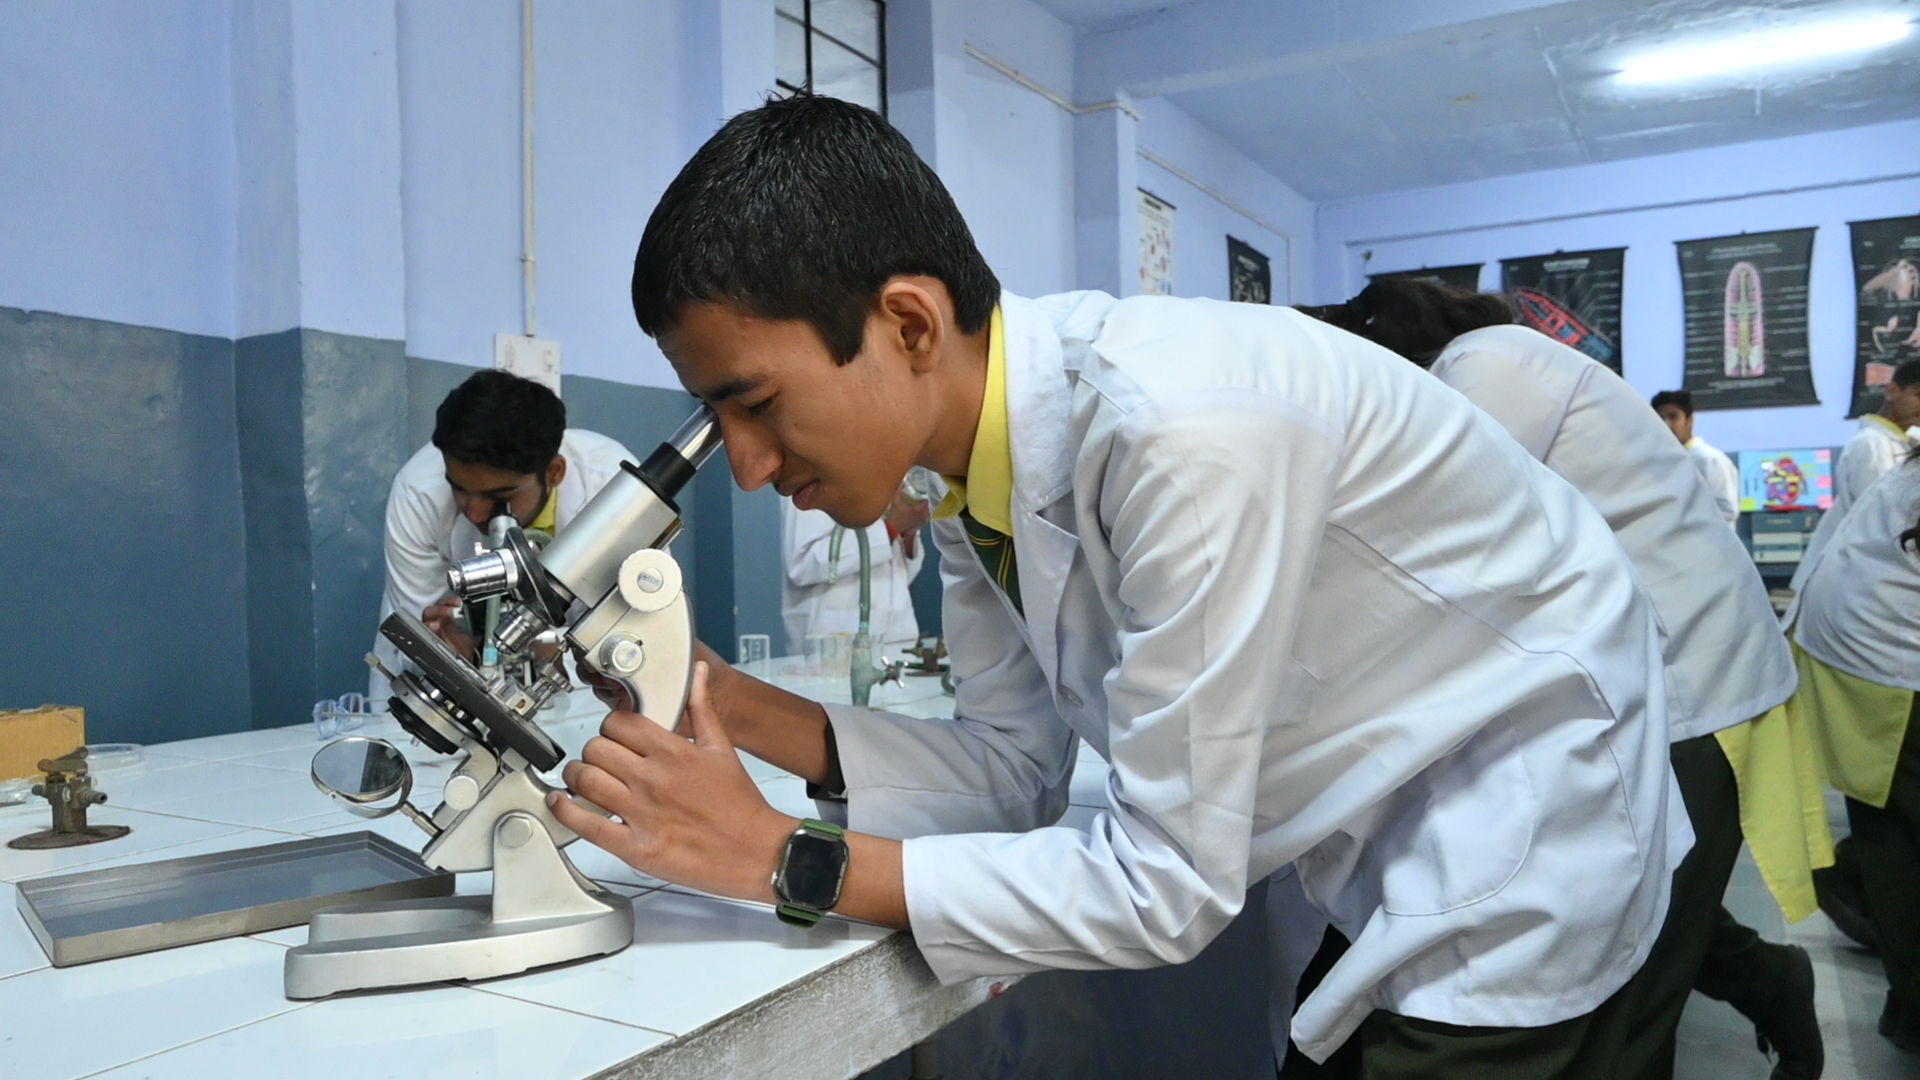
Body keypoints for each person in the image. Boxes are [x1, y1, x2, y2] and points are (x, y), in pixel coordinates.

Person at [551, 95, 1685, 1077]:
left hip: (1526, 813)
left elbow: (1166, 888)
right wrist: (721, 699)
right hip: (1383, 823)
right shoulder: (968, 484)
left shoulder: (1180, 436)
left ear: (908, 323)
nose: (748, 468)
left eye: (755, 404)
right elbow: (1015, 775)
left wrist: (781, 858)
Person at [1307, 277, 1825, 1079]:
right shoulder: (1494, 365)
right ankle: (1771, 979)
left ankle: (1768, 991)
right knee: (1628, 894)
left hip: (1689, 680)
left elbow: (1431, 529)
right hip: (1620, 666)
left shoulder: (1489, 363)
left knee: (1639, 976)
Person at [371, 370, 636, 702]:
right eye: (459, 490)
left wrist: (545, 652)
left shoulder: (615, 490)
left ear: (554, 473)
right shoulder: (419, 492)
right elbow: (418, 636)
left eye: (499, 496)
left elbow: (632, 633)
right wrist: (448, 645)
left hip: (587, 696)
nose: (476, 514)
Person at [1793, 452, 1920, 1054]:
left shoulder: (1906, 465)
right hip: (1894, 661)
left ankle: (1910, 1004)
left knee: (1892, 840)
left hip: (1862, 654)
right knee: (1896, 839)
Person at [1795, 360, 1920, 946]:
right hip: (1881, 644)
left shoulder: (1899, 453)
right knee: (1891, 808)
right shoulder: (1876, 449)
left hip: (1861, 632)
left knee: (1885, 808)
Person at [781, 482, 928, 657]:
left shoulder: (887, 474)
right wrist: (893, 527)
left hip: (900, 638)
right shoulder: (807, 476)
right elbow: (803, 566)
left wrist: (908, 532)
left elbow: (902, 574)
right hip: (834, 645)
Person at [1653, 389, 1740, 526]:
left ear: (1690, 420)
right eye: (1660, 418)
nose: (1666, 424)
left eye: (1673, 417)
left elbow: (1726, 511)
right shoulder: (1661, 462)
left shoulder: (1709, 460)